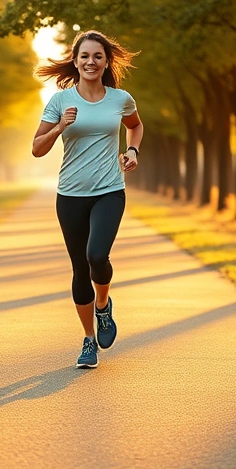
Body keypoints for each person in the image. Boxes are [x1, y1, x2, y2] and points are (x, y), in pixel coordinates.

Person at [32, 30, 144, 369]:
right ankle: (88, 340)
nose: (90, 62)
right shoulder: (60, 101)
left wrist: (133, 150)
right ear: (76, 61)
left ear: (106, 61)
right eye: (84, 56)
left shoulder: (120, 98)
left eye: (97, 56)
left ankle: (103, 306)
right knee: (80, 268)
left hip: (110, 190)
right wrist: (59, 127)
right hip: (70, 195)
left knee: (97, 254)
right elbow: (37, 148)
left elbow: (135, 126)